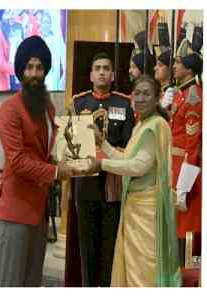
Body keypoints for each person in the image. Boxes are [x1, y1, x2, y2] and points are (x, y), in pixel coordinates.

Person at [0, 36, 77, 287]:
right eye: (29, 67)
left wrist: (69, 157)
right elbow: (18, 161)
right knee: (13, 285)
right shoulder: (10, 108)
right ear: (20, 71)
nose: (34, 73)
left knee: (32, 285)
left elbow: (46, 151)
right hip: (15, 212)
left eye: (39, 67)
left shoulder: (47, 107)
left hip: (39, 210)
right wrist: (55, 171)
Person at [86, 75, 181, 287]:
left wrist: (101, 165)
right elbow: (125, 160)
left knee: (144, 272)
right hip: (133, 208)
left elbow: (138, 166)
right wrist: (104, 145)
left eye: (146, 94)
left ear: (157, 98)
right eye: (137, 93)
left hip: (148, 212)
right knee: (131, 269)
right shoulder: (141, 125)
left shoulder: (156, 125)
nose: (140, 98)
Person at [68, 52, 135, 287]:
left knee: (109, 245)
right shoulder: (79, 102)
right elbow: (70, 145)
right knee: (86, 244)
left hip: (112, 183)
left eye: (106, 68)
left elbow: (128, 145)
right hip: (85, 182)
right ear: (90, 74)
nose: (102, 72)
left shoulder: (124, 103)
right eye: (97, 68)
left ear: (113, 74)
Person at [171, 31, 202, 266]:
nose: (174, 66)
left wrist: (183, 185)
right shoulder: (181, 95)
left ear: (189, 70)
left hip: (186, 171)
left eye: (178, 63)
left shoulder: (193, 98)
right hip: (174, 167)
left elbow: (192, 145)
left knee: (186, 231)